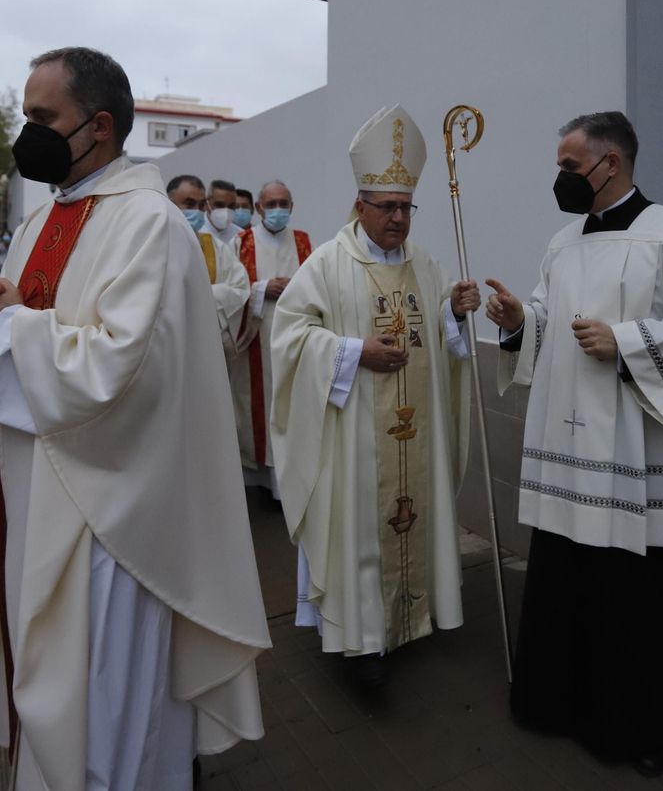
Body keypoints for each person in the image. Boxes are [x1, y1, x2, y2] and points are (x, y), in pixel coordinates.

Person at [0, 47, 268, 789]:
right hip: (30, 484)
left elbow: (125, 367)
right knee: (48, 676)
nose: (28, 134)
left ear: (100, 126)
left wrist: (7, 327)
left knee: (107, 702)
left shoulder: (150, 224)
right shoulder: (43, 218)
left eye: (42, 118)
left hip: (111, 511)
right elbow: (10, 319)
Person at [484, 111, 663, 777]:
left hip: (641, 457)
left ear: (611, 164)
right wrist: (519, 322)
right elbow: (548, 313)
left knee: (636, 598)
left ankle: (640, 723)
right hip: (575, 449)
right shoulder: (564, 242)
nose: (559, 179)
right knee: (571, 579)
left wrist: (625, 344)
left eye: (569, 166)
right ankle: (555, 702)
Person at [269, 105, 480, 686]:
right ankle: (362, 644)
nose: (398, 218)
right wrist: (352, 352)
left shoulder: (429, 266)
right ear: (360, 205)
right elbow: (290, 338)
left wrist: (455, 314)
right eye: (386, 206)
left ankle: (407, 621)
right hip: (354, 435)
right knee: (359, 529)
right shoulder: (328, 265)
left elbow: (444, 341)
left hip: (415, 439)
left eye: (406, 207)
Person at [228, 180, 311, 504]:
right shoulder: (241, 243)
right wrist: (262, 289)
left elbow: (319, 287)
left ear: (291, 206)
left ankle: (291, 484)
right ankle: (262, 483)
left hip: (295, 342)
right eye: (270, 204)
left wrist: (296, 288)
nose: (277, 210)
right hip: (255, 344)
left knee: (292, 408)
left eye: (283, 203)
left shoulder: (304, 242)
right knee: (255, 411)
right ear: (259, 208)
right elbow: (231, 290)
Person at [166, 174, 251, 356]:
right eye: (189, 204)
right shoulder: (154, 244)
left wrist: (203, 296)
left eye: (201, 204)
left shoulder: (214, 246)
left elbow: (241, 288)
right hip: (168, 345)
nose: (197, 210)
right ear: (169, 203)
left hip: (208, 344)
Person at [205, 178, 242, 247]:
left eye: (231, 206)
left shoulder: (240, 236)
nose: (226, 211)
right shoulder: (195, 231)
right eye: (219, 205)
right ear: (207, 205)